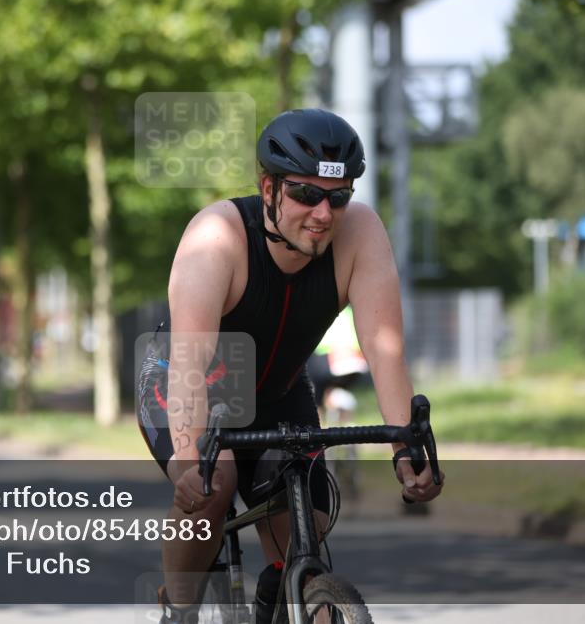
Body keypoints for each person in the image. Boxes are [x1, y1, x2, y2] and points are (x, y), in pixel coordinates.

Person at [137, 109, 444, 624]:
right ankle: (180, 607)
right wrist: (190, 458)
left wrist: (405, 449)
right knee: (213, 490)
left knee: (309, 525)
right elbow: (190, 361)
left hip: (280, 390)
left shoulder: (361, 234)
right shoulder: (215, 239)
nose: (324, 213)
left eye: (338, 197)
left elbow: (385, 348)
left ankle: (287, 598)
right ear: (269, 188)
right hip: (187, 383)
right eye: (306, 194)